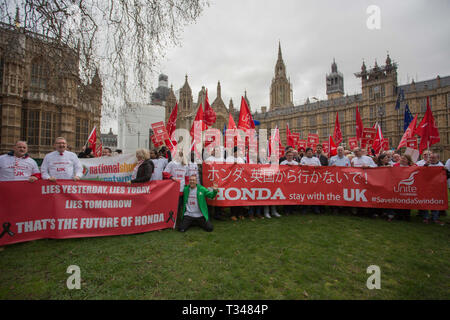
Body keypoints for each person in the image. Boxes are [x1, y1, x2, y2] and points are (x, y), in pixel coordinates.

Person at [163, 149, 190, 224]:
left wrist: (187, 186)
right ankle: (170, 219)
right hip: (172, 188)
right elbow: (165, 173)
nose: (180, 156)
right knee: (172, 205)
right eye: (179, 154)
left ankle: (177, 220)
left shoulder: (186, 165)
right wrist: (171, 177)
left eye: (181, 154)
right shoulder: (171, 164)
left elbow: (187, 177)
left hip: (181, 189)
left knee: (180, 206)